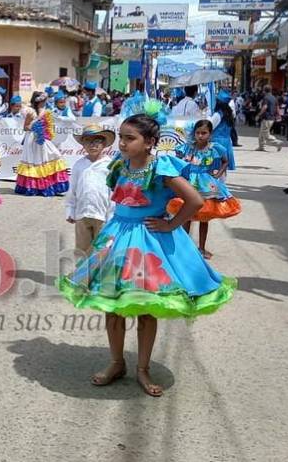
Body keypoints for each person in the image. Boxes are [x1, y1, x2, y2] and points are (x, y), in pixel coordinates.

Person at [58, 113, 236, 397]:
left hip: (149, 242)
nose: (123, 144)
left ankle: (142, 368)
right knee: (112, 305)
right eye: (122, 138)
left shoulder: (161, 167)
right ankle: (117, 363)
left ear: (150, 142)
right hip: (117, 238)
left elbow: (195, 200)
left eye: (131, 139)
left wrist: (170, 224)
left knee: (145, 308)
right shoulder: (120, 165)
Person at [167, 119, 242, 258]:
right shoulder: (188, 147)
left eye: (204, 133)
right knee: (186, 217)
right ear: (194, 133)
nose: (200, 136)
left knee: (204, 218)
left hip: (206, 185)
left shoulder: (215, 148)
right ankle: (185, 248)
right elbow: (177, 159)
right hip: (189, 183)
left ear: (210, 134)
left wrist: (218, 174)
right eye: (197, 133)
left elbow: (226, 161)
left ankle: (201, 248)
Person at [65, 125, 115, 257]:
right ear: (83, 144)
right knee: (82, 249)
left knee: (102, 249)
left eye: (97, 141)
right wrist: (70, 209)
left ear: (104, 144)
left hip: (102, 215)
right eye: (88, 141)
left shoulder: (109, 166)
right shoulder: (79, 165)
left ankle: (100, 276)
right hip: (82, 214)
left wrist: (111, 216)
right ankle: (82, 276)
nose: (92, 145)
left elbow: (113, 192)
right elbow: (73, 189)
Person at [15, 92, 70, 196]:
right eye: (44, 100)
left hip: (42, 138)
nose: (45, 102)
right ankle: (34, 187)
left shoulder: (46, 112)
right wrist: (34, 128)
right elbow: (25, 127)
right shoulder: (31, 112)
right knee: (34, 160)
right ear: (39, 101)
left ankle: (48, 185)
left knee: (52, 155)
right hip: (32, 138)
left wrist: (43, 131)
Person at [209, 91, 237, 176]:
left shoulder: (218, 114)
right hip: (226, 142)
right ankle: (221, 184)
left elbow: (210, 126)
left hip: (217, 142)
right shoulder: (230, 114)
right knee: (222, 167)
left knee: (215, 168)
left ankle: (216, 186)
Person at [256, 85, 283, 151]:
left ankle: (278, 143)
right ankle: (261, 147)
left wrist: (259, 115)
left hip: (267, 118)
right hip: (272, 118)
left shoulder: (266, 98)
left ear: (264, 90)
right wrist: (279, 115)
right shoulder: (274, 98)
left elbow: (265, 107)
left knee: (266, 135)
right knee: (261, 133)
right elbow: (277, 107)